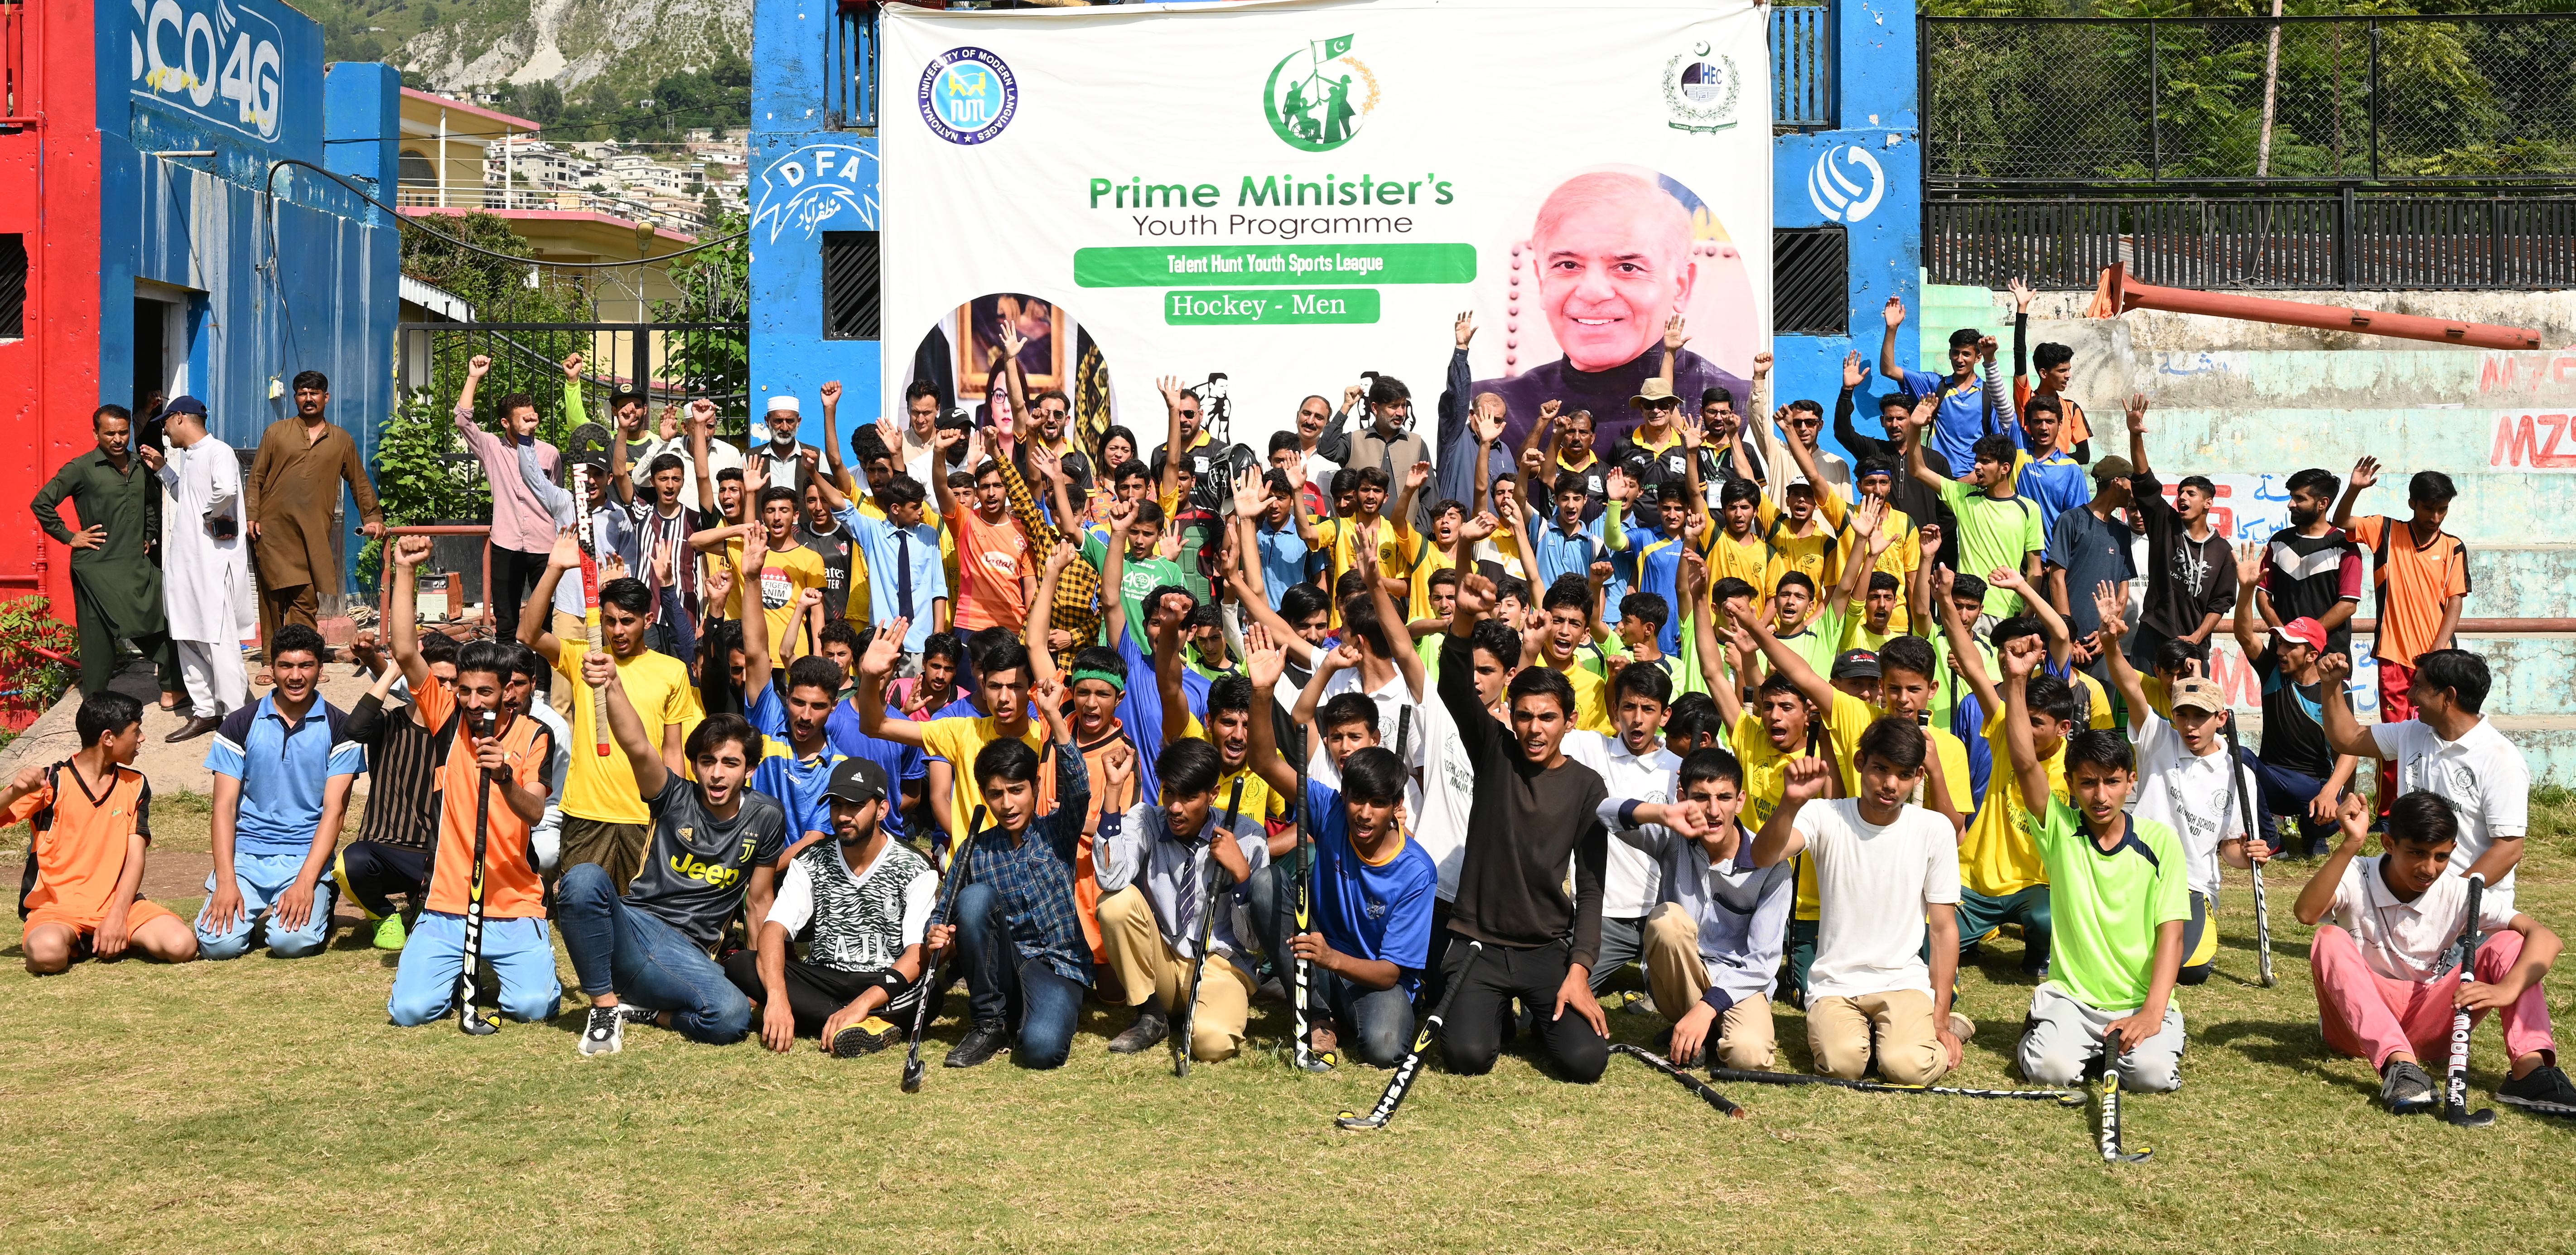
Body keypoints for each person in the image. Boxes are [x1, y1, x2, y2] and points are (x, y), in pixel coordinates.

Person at [1431, 571, 1631, 1084]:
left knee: (1586, 1062)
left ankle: (1543, 1016)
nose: (1534, 729)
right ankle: (1497, 1012)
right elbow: (1455, 684)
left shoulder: (1588, 786)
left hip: (1546, 950)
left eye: (1547, 717)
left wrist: (1580, 972)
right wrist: (1464, 620)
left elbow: (1590, 890)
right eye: (1523, 716)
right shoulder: (1494, 751)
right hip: (1477, 941)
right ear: (1511, 717)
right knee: (1467, 1055)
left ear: (1571, 719)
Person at [2295, 791, 2576, 1113]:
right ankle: (2399, 1067)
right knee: (2329, 937)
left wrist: (2507, 988)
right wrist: (2350, 844)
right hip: (2354, 1029)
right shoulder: (2356, 873)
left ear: (2453, 850)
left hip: (2427, 1021)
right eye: (2416, 853)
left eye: (2440, 856)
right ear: (2388, 844)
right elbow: (2306, 913)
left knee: (2511, 942)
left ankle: (2531, 1071)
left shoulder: (2458, 890)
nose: (2429, 868)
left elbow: (2545, 937)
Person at [382, 538, 564, 1028]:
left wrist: (504, 777)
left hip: (513, 899)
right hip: (446, 902)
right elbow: (403, 648)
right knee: (410, 1012)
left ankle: (525, 962)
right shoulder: (446, 719)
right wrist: (404, 571)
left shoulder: (535, 734)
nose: (472, 701)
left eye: (485, 692)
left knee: (531, 1008)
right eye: (463, 690)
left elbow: (534, 811)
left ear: (508, 691)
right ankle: (447, 966)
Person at [567, 653, 788, 1055]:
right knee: (582, 879)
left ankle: (642, 1012)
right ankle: (603, 1009)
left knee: (732, 1017)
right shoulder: (672, 795)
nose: (717, 774)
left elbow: (758, 903)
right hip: (635, 929)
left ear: (749, 770)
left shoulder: (767, 816)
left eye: (729, 763)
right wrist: (612, 684)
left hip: (689, 955)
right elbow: (635, 744)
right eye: (707, 762)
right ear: (695, 765)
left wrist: (766, 986)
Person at [1999, 645, 2190, 1093]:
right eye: (2087, 782)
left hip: (2138, 1000)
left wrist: (2151, 1011)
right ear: (2069, 784)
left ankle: (2118, 1043)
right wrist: (2015, 680)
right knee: (2051, 1071)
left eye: (2111, 781)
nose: (2100, 795)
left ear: (2131, 780)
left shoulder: (2160, 841)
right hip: (2073, 999)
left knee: (2152, 1077)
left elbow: (2172, 935)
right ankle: (2052, 1028)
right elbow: (2024, 761)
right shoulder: (2058, 828)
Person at [1749, 725, 1970, 1084]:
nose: (1891, 785)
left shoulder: (1935, 829)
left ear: (1918, 777)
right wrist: (1791, 803)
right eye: (1881, 769)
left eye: (1904, 774)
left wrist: (1941, 1020)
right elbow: (1762, 856)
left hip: (1903, 982)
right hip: (1835, 983)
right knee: (1843, 1066)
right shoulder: (1823, 815)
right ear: (1860, 763)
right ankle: (1878, 1040)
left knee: (1907, 1069)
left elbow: (1944, 929)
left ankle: (1942, 1035)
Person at [1472, 173, 1747, 448]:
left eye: (1628, 267)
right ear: (1542, 281)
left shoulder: (1740, 406)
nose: (1593, 292)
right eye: (1568, 265)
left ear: (1681, 285)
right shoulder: (1491, 411)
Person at [2094, 584, 2265, 986]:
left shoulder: (2240, 773)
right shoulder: (2158, 738)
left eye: (2200, 716)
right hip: (2138, 872)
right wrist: (2110, 644)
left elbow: (2230, 851)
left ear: (2221, 719)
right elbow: (2131, 688)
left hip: (2192, 886)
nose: (2189, 725)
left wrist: (2249, 851)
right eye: (2183, 714)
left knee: (2190, 969)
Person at [521, 527, 705, 892]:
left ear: (647, 621)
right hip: (587, 811)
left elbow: (672, 747)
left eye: (628, 621)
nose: (618, 630)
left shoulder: (671, 671)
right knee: (580, 906)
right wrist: (555, 568)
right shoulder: (583, 657)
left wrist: (674, 807)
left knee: (641, 912)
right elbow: (528, 635)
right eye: (610, 621)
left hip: (645, 812)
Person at [725, 758, 935, 1057]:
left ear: (882, 810)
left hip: (883, 981)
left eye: (855, 806)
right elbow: (773, 930)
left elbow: (917, 953)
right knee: (742, 965)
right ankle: (863, 1023)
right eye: (837, 806)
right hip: (825, 978)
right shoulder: (811, 859)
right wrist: (777, 998)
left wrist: (864, 1002)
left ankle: (847, 1016)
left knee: (929, 993)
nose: (844, 816)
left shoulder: (915, 866)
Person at [924, 707, 1091, 1070]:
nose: (1008, 804)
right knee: (973, 899)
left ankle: (1033, 1019)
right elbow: (941, 914)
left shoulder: (1056, 832)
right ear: (984, 795)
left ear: (1034, 787)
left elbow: (1079, 789)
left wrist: (1057, 721)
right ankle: (989, 1024)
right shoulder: (973, 849)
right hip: (1002, 972)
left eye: (1017, 790)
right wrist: (935, 934)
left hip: (1058, 967)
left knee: (1040, 1051)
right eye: (996, 794)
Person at [1092, 739, 1270, 1061]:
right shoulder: (1147, 818)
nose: (1175, 807)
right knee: (1114, 903)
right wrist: (1114, 791)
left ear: (1213, 795)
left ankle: (1198, 1014)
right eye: (1170, 792)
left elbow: (1254, 941)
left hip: (1222, 965)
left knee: (1212, 1045)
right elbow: (1110, 878)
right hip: (1162, 961)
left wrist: (1242, 877)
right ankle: (1151, 1013)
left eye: (1189, 797)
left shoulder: (1249, 836)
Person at [196, 623, 363, 960]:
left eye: (306, 666)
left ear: (321, 669)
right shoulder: (239, 723)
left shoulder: (342, 727)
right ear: (271, 670)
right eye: (286, 666)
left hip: (305, 857)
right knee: (217, 946)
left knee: (291, 943)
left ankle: (318, 899)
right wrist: (227, 881)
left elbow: (335, 812)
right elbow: (225, 808)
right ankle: (250, 904)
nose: (295, 676)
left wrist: (305, 882)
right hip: (246, 857)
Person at [1624, 748, 1795, 1070]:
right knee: (1667, 921)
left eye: (1724, 797)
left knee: (1750, 1058)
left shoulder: (1773, 864)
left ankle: (1700, 1028)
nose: (1714, 810)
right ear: (1682, 796)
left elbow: (1762, 962)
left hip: (1737, 983)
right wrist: (1662, 814)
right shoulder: (1672, 837)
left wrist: (1707, 1007)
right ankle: (1695, 1031)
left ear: (1740, 800)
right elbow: (1604, 812)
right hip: (1677, 977)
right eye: (1701, 797)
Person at [0, 692, 196, 973]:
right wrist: (15, 793)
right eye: (136, 731)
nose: (141, 739)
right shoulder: (50, 782)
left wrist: (117, 916)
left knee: (182, 945)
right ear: (108, 738)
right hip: (56, 911)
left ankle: (100, 937)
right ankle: (79, 940)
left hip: (119, 906)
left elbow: (135, 857)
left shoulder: (136, 784)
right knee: (46, 954)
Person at [2318, 647, 2527, 909]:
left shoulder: (2501, 759)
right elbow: (2347, 739)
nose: (2410, 695)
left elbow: (2509, 849)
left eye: (2418, 686)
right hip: (2409, 896)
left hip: (2470, 907)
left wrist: (2448, 902)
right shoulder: (2414, 732)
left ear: (2448, 696)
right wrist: (2331, 684)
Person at [2331, 458, 2470, 807]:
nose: (2435, 517)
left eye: (2442, 510)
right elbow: (2340, 521)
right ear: (2412, 503)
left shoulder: (2453, 547)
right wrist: (2354, 490)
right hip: (2394, 656)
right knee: (2395, 737)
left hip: (2440, 661)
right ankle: (2391, 809)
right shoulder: (2386, 531)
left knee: (2440, 733)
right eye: (2429, 508)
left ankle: (2438, 801)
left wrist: (2438, 652)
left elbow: (2454, 602)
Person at [857, 620, 1050, 852]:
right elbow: (875, 726)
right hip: (970, 865)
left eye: (1016, 687)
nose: (1004, 698)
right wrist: (869, 677)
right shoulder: (961, 730)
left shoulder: (1046, 741)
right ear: (983, 685)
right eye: (996, 687)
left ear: (1030, 689)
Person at [31, 404, 178, 702]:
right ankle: (96, 700)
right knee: (97, 637)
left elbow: (151, 503)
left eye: (123, 432)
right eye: (109, 433)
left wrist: (149, 536)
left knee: (159, 619)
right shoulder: (81, 468)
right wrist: (70, 536)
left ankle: (173, 688)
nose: (117, 439)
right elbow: (42, 503)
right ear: (95, 433)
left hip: (136, 564)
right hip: (95, 567)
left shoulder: (139, 465)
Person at [247, 371, 386, 662]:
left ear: (326, 397)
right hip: (272, 531)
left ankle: (303, 658)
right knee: (273, 599)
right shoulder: (277, 432)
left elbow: (359, 482)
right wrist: (252, 514)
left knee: (306, 598)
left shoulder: (340, 439)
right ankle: (274, 662)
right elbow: (256, 477)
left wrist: (372, 516)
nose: (308, 399)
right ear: (296, 398)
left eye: (315, 393)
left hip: (313, 533)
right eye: (302, 393)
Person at [1561, 663, 1680, 996]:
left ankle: (1654, 980)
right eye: (1629, 707)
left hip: (1663, 916)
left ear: (1665, 715)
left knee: (1679, 999)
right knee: (1556, 998)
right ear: (1616, 710)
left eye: (1648, 709)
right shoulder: (1589, 748)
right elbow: (1535, 723)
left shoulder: (1680, 771)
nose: (1637, 718)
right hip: (1606, 917)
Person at [2229, 555, 2358, 858]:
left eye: (2290, 645)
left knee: (2323, 821)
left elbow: (2350, 749)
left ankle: (2315, 834)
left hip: (2314, 789)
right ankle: (2273, 840)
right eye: (2281, 642)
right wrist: (2247, 590)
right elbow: (2244, 635)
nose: (2281, 650)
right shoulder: (2274, 671)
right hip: (2272, 781)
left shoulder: (2333, 688)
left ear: (2312, 655)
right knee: (2239, 755)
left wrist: (2333, 793)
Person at [336, 631, 458, 951]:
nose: (445, 690)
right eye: (437, 680)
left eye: (452, 682)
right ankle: (383, 916)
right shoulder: (388, 722)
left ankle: (421, 907)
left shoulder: (462, 732)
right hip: (384, 850)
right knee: (349, 863)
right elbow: (354, 728)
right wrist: (394, 670)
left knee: (436, 929)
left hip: (439, 855)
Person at [141, 396, 253, 739]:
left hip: (211, 566)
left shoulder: (218, 451)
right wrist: (163, 469)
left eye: (165, 423)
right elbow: (187, 496)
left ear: (179, 418)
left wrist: (207, 516)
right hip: (187, 564)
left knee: (218, 642)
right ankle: (205, 711)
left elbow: (227, 491)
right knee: (188, 637)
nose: (165, 430)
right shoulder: (193, 458)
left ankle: (238, 718)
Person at [737, 527, 848, 854]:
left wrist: (764, 875)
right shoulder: (770, 719)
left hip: (797, 879)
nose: (804, 715)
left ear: (834, 707)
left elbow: (813, 839)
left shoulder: (837, 766)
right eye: (798, 702)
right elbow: (757, 651)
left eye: (817, 707)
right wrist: (753, 578)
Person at [451, 355, 564, 654]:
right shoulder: (491, 447)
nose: (531, 421)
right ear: (506, 423)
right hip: (506, 543)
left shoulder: (549, 453)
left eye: (533, 416)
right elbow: (462, 420)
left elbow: (557, 497)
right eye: (523, 418)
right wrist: (474, 376)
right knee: (506, 623)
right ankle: (505, 683)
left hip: (544, 546)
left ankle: (543, 687)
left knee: (543, 623)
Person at [2120, 395, 2234, 672]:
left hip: (2193, 644)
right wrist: (2135, 435)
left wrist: (2197, 637)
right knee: (2145, 712)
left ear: (2209, 503)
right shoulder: (2165, 524)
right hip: (2153, 634)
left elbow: (2220, 604)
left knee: (2191, 712)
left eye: (2191, 493)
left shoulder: (2223, 552)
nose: (2182, 497)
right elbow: (2146, 482)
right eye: (2180, 492)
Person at [1909, 410, 2043, 620]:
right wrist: (1915, 427)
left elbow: (2036, 570)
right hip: (1965, 611)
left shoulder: (2029, 509)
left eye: (1986, 462)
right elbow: (1918, 469)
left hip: (2007, 614)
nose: (1977, 467)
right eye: (1977, 460)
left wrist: (2027, 614)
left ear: (2005, 468)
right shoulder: (1964, 497)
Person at [1880, 297, 2010, 479]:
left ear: (1978, 358)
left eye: (1966, 354)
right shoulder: (1935, 386)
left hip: (1974, 481)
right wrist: (1892, 329)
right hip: (1937, 478)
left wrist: (1975, 478)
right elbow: (1889, 370)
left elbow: (1999, 444)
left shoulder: (1988, 395)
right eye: (1955, 353)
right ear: (1949, 354)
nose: (1960, 359)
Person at [933, 427, 1035, 636]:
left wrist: (1031, 629)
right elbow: (941, 489)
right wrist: (939, 452)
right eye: (985, 486)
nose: (991, 493)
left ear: (1007, 489)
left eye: (998, 486)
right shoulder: (965, 521)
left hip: (1012, 628)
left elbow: (1031, 589)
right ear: (977, 492)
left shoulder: (1022, 530)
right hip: (971, 625)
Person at [2045, 456, 2137, 680]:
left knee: (2102, 711)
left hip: (2103, 644)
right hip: (2067, 644)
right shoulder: (2071, 520)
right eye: (2131, 483)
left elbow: (2123, 588)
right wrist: (2067, 636)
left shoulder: (2123, 532)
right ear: (2118, 482)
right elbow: (2056, 580)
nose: (2134, 492)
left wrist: (2109, 632)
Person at [2259, 467, 2363, 657]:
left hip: (2330, 660)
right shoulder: (2278, 542)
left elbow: (2348, 604)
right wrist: (2284, 635)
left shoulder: (2345, 546)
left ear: (2323, 503)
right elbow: (2263, 595)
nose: (2291, 504)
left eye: (2300, 499)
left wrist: (2304, 636)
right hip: (2282, 658)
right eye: (2292, 497)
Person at [2006, 278, 2094, 461]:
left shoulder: (2071, 409)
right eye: (2062, 371)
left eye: (2068, 370)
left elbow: (2084, 456)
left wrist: (2051, 460)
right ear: (2044, 373)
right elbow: (2019, 355)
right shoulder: (2026, 400)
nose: (2068, 375)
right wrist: (2022, 309)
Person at [746, 396, 820, 495]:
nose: (785, 428)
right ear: (767, 422)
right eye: (778, 421)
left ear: (798, 422)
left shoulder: (816, 458)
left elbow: (829, 497)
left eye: (790, 421)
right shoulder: (750, 458)